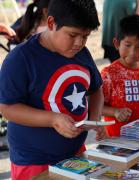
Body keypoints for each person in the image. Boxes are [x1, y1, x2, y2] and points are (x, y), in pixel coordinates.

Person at [0, 0, 106, 179]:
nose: (79, 43)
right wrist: (52, 119)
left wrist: (94, 119)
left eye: (85, 36)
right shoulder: (20, 59)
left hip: (76, 152)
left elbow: (96, 90)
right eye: (73, 35)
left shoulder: (83, 54)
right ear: (51, 23)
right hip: (34, 160)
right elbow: (7, 109)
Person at [101, 15, 139, 137]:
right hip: (117, 140)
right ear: (117, 43)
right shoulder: (109, 74)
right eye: (127, 45)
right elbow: (96, 106)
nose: (133, 52)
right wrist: (115, 112)